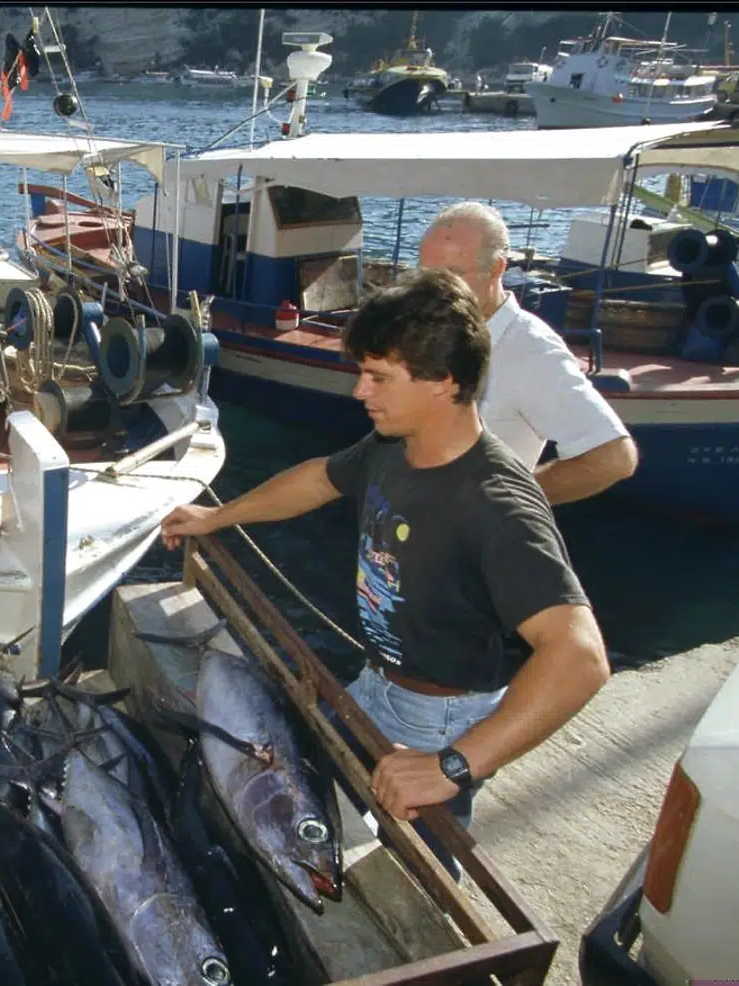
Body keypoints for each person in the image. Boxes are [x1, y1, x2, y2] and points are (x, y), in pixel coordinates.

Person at [161, 268, 611, 878]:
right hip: (375, 682)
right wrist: (216, 517)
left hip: (441, 720)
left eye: (378, 377)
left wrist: (453, 765)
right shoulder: (394, 447)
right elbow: (318, 479)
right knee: (321, 797)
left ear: (444, 382)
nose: (359, 392)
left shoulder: (498, 505)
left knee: (422, 868)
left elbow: (580, 657)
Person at [418, 201, 638, 505]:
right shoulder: (429, 326)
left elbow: (613, 457)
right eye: (426, 275)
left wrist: (500, 501)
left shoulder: (532, 351)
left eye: (453, 275)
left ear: (496, 268)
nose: (433, 291)